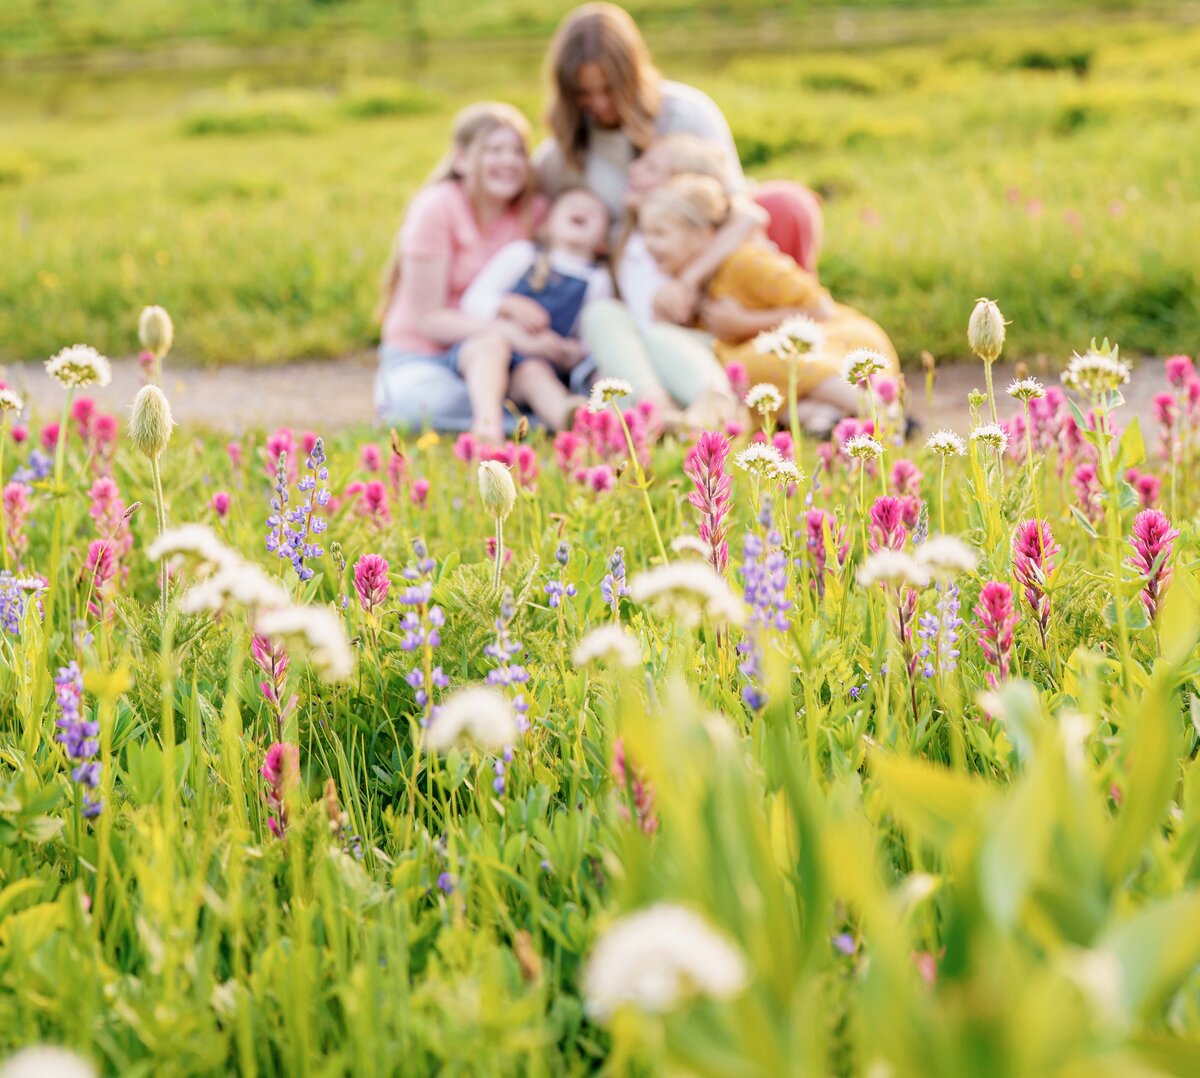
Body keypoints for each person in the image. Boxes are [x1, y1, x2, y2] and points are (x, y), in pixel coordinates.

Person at [534, 2, 823, 325]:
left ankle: (799, 315)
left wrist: (689, 281)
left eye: (610, 89)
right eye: (584, 94)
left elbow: (739, 210)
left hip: (706, 263)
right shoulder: (560, 154)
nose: (600, 104)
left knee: (786, 203)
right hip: (633, 285)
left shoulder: (687, 113)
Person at [375, 102, 583, 439]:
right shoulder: (437, 207)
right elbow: (429, 319)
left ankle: (541, 414)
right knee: (420, 408)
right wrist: (510, 333)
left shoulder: (534, 212)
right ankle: (519, 420)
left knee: (530, 374)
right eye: (493, 150)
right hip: (426, 357)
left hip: (507, 361)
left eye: (518, 152)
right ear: (461, 159)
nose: (508, 161)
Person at [639, 174, 898, 431]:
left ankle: (877, 409)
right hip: (784, 354)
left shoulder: (745, 261)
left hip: (841, 340)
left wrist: (745, 323)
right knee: (738, 372)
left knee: (752, 363)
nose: (648, 246)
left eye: (659, 234)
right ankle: (822, 419)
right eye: (645, 236)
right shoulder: (692, 288)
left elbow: (821, 310)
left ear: (702, 235)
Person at [456, 187, 613, 434]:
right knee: (490, 346)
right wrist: (507, 304)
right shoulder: (522, 255)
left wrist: (570, 352)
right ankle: (487, 427)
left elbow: (590, 334)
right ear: (546, 225)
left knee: (535, 375)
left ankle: (572, 420)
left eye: (593, 211)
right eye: (571, 203)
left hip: (538, 363)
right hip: (491, 348)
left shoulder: (596, 279)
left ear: (603, 242)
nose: (581, 209)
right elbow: (472, 301)